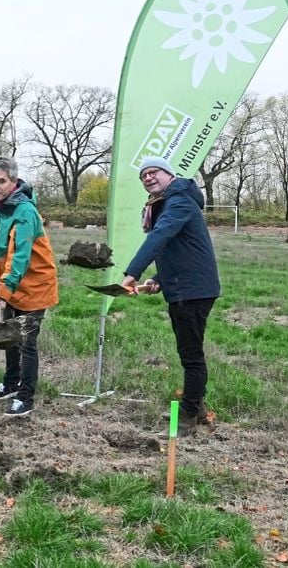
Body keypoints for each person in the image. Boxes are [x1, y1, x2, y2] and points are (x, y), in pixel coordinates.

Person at [121, 157, 220, 437]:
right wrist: (158, 279)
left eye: (154, 172)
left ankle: (189, 415)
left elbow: (161, 236)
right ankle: (196, 405)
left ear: (169, 174)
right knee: (187, 351)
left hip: (194, 290)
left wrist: (133, 273)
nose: (148, 178)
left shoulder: (180, 201)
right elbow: (181, 251)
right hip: (182, 286)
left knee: (191, 354)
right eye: (144, 176)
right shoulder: (168, 202)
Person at [0, 156, 59, 417]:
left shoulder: (26, 211)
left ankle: (26, 397)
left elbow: (21, 255)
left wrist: (3, 292)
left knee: (27, 342)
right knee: (10, 337)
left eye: (1, 181)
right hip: (12, 281)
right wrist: (1, 272)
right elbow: (2, 245)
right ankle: (11, 382)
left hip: (35, 285)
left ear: (14, 182)